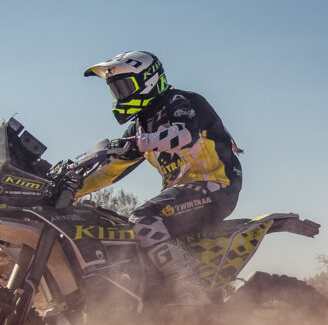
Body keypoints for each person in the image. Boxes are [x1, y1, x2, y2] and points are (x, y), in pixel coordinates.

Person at [75, 51, 242, 306]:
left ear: (149, 81)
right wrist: (72, 189)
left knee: (143, 217)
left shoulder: (180, 101)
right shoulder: (141, 125)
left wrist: (141, 143)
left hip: (217, 186)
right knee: (118, 229)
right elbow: (109, 171)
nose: (120, 95)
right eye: (116, 90)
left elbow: (185, 133)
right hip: (184, 195)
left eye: (125, 87)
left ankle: (189, 290)